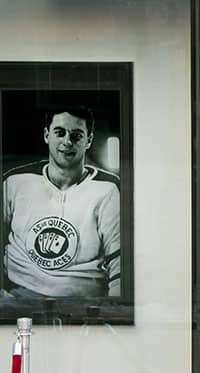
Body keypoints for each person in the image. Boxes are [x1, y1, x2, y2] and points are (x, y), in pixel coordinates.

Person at [2, 106, 121, 297]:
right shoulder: (15, 181)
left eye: (76, 135)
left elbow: (120, 263)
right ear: (46, 135)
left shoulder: (108, 189)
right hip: (18, 296)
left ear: (88, 140)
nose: (67, 141)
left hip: (84, 304)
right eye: (60, 133)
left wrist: (114, 313)